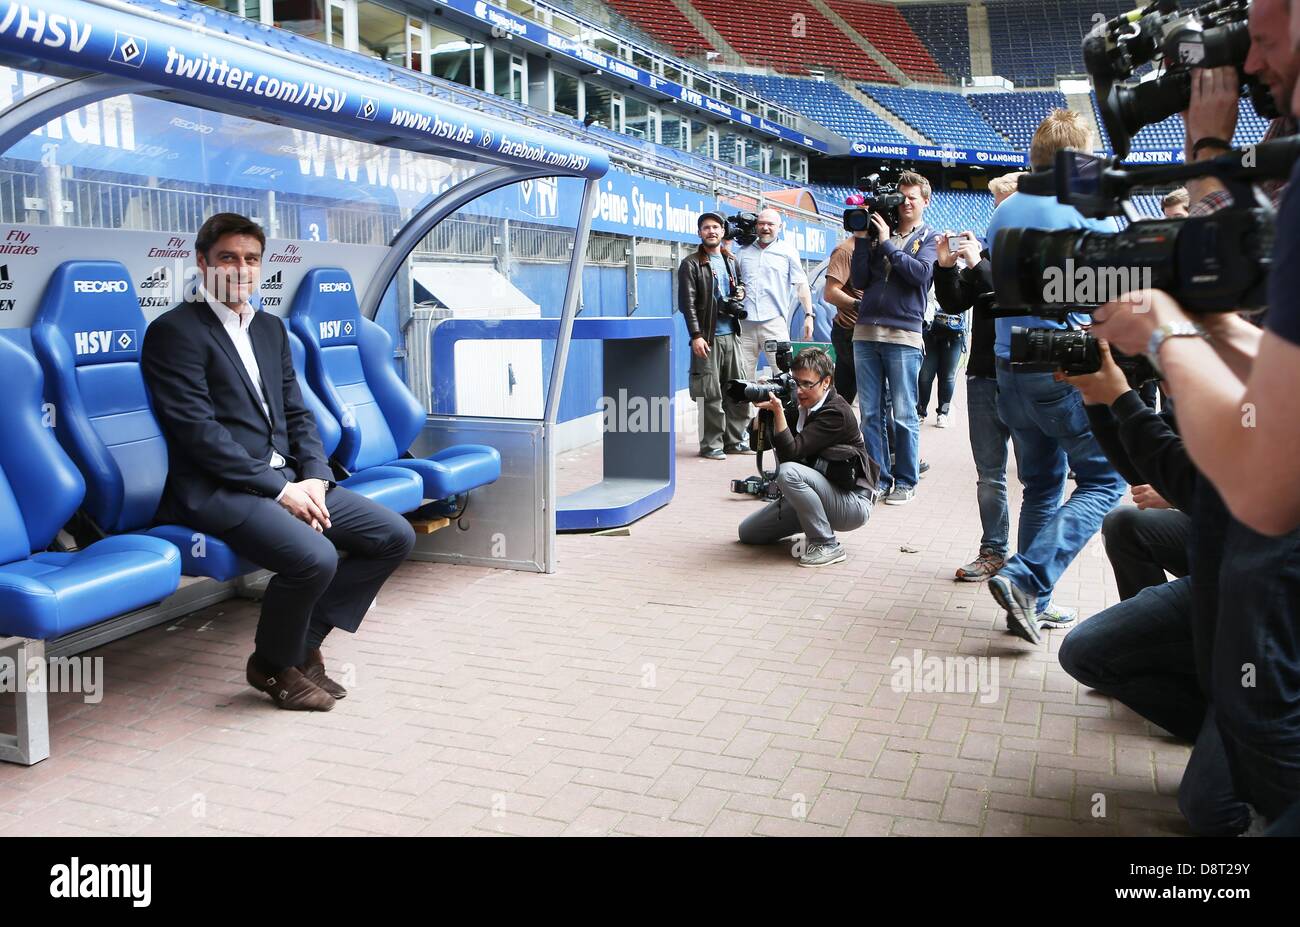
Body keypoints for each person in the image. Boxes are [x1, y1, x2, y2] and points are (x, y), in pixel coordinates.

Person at [141, 213, 416, 712]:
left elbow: (298, 412)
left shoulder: (269, 329)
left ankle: (300, 646)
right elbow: (197, 434)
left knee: (392, 536)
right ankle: (271, 665)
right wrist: (278, 488)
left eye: (250, 259)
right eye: (227, 257)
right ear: (202, 263)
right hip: (215, 490)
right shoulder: (174, 332)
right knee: (316, 558)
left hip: (285, 478)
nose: (240, 269)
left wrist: (313, 475)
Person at [983, 110, 1128, 644]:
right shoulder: (1090, 209)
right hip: (1062, 362)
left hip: (1009, 364)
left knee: (1041, 485)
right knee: (1105, 479)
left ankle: (1030, 602)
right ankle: (1025, 580)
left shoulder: (1004, 211)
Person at [938, 172, 1020, 581]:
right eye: (996, 205)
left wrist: (980, 263)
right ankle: (994, 551)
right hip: (985, 375)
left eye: (1005, 203)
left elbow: (1007, 296)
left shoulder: (1036, 254)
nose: (998, 213)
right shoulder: (984, 256)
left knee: (1037, 479)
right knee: (989, 474)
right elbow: (954, 301)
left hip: (1027, 378)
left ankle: (1033, 566)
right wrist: (945, 265)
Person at [738, 348, 878, 567]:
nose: (799, 390)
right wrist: (764, 410)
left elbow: (791, 453)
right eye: (795, 383)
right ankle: (813, 519)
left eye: (806, 384)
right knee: (748, 533)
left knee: (788, 473)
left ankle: (826, 544)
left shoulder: (836, 412)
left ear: (826, 382)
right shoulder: (798, 405)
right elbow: (757, 444)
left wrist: (778, 412)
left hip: (852, 503)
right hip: (817, 494)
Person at [849, 170, 940, 506]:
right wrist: (862, 239)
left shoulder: (930, 237)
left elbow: (920, 276)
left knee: (903, 413)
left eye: (912, 198)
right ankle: (876, 478)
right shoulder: (875, 235)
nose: (904, 203)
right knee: (870, 413)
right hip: (866, 332)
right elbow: (858, 279)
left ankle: (905, 481)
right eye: (901, 197)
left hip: (904, 333)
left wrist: (886, 242)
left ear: (925, 201)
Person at [677, 211, 751, 459]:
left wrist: (739, 292)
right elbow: (687, 303)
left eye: (716, 227)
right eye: (706, 228)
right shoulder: (691, 264)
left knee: (738, 391)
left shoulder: (730, 259)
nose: (711, 231)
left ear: (722, 231)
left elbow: (739, 285)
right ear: (700, 233)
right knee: (710, 394)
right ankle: (712, 445)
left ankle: (735, 440)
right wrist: (696, 335)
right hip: (707, 338)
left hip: (732, 334)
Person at [735, 208, 813, 382]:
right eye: (761, 223)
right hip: (744, 324)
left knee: (784, 377)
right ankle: (745, 410)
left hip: (774, 323)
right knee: (741, 379)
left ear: (780, 227)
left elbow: (801, 284)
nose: (765, 228)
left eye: (770, 224)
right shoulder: (742, 251)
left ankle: (783, 410)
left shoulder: (788, 251)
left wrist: (809, 315)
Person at [823, 228, 866, 403]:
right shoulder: (846, 250)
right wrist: (860, 305)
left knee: (847, 396)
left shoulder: (878, 247)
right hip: (851, 331)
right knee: (846, 397)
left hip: (868, 331)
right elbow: (830, 293)